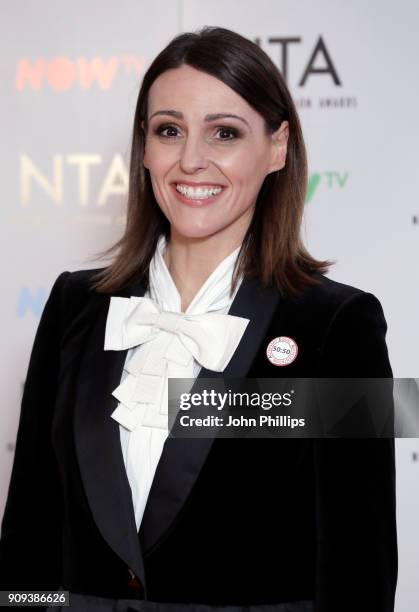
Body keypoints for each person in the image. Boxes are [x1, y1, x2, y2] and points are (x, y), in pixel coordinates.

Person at [0, 26, 397, 612]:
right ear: (145, 147)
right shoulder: (72, 305)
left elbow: (360, 571)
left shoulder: (342, 324)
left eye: (225, 133)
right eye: (169, 130)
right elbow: (27, 542)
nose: (191, 159)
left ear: (278, 147)